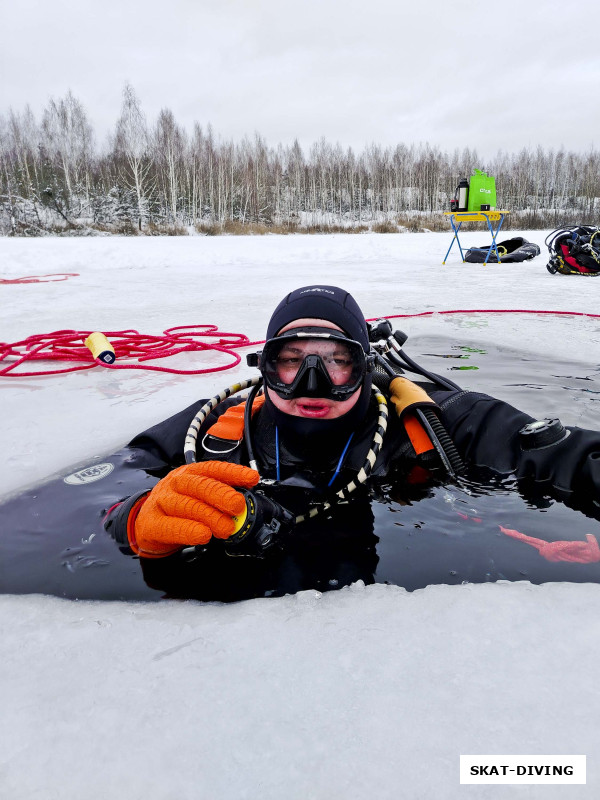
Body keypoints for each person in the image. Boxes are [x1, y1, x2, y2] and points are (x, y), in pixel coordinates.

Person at [104, 285, 600, 599]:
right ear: (266, 367)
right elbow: (102, 483)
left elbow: (570, 457)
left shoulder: (441, 423)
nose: (312, 385)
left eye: (336, 360)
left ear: (365, 367)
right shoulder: (218, 429)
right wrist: (134, 517)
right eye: (293, 360)